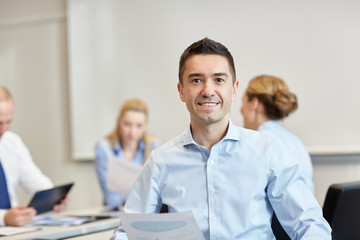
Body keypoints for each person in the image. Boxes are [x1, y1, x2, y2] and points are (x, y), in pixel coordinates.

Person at [112, 38, 331, 239]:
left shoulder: (269, 151)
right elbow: (128, 232)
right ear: (181, 91)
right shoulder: (161, 161)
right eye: (196, 80)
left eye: (219, 80)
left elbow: (310, 225)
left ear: (234, 90)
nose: (208, 90)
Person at [0, 86, 67, 227]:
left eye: (8, 122)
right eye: (0, 123)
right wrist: (4, 218)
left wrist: (54, 198)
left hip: (13, 232)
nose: (3, 129)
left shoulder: (13, 143)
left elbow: (37, 183)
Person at [240, 74, 314, 193]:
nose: (241, 110)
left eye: (242, 102)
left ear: (254, 103)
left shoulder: (255, 145)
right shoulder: (296, 142)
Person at [94, 98, 162, 210]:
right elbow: (111, 199)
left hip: (146, 213)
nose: (132, 132)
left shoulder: (155, 146)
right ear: (118, 122)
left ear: (145, 126)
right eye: (127, 124)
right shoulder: (104, 148)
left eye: (139, 126)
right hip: (116, 213)